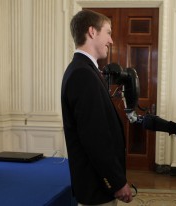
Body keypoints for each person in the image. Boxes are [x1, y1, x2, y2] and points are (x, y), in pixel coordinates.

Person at [61, 10, 133, 206]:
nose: (111, 40)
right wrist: (117, 182)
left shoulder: (85, 69)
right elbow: (95, 137)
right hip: (97, 187)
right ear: (92, 32)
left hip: (98, 183)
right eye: (108, 32)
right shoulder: (82, 74)